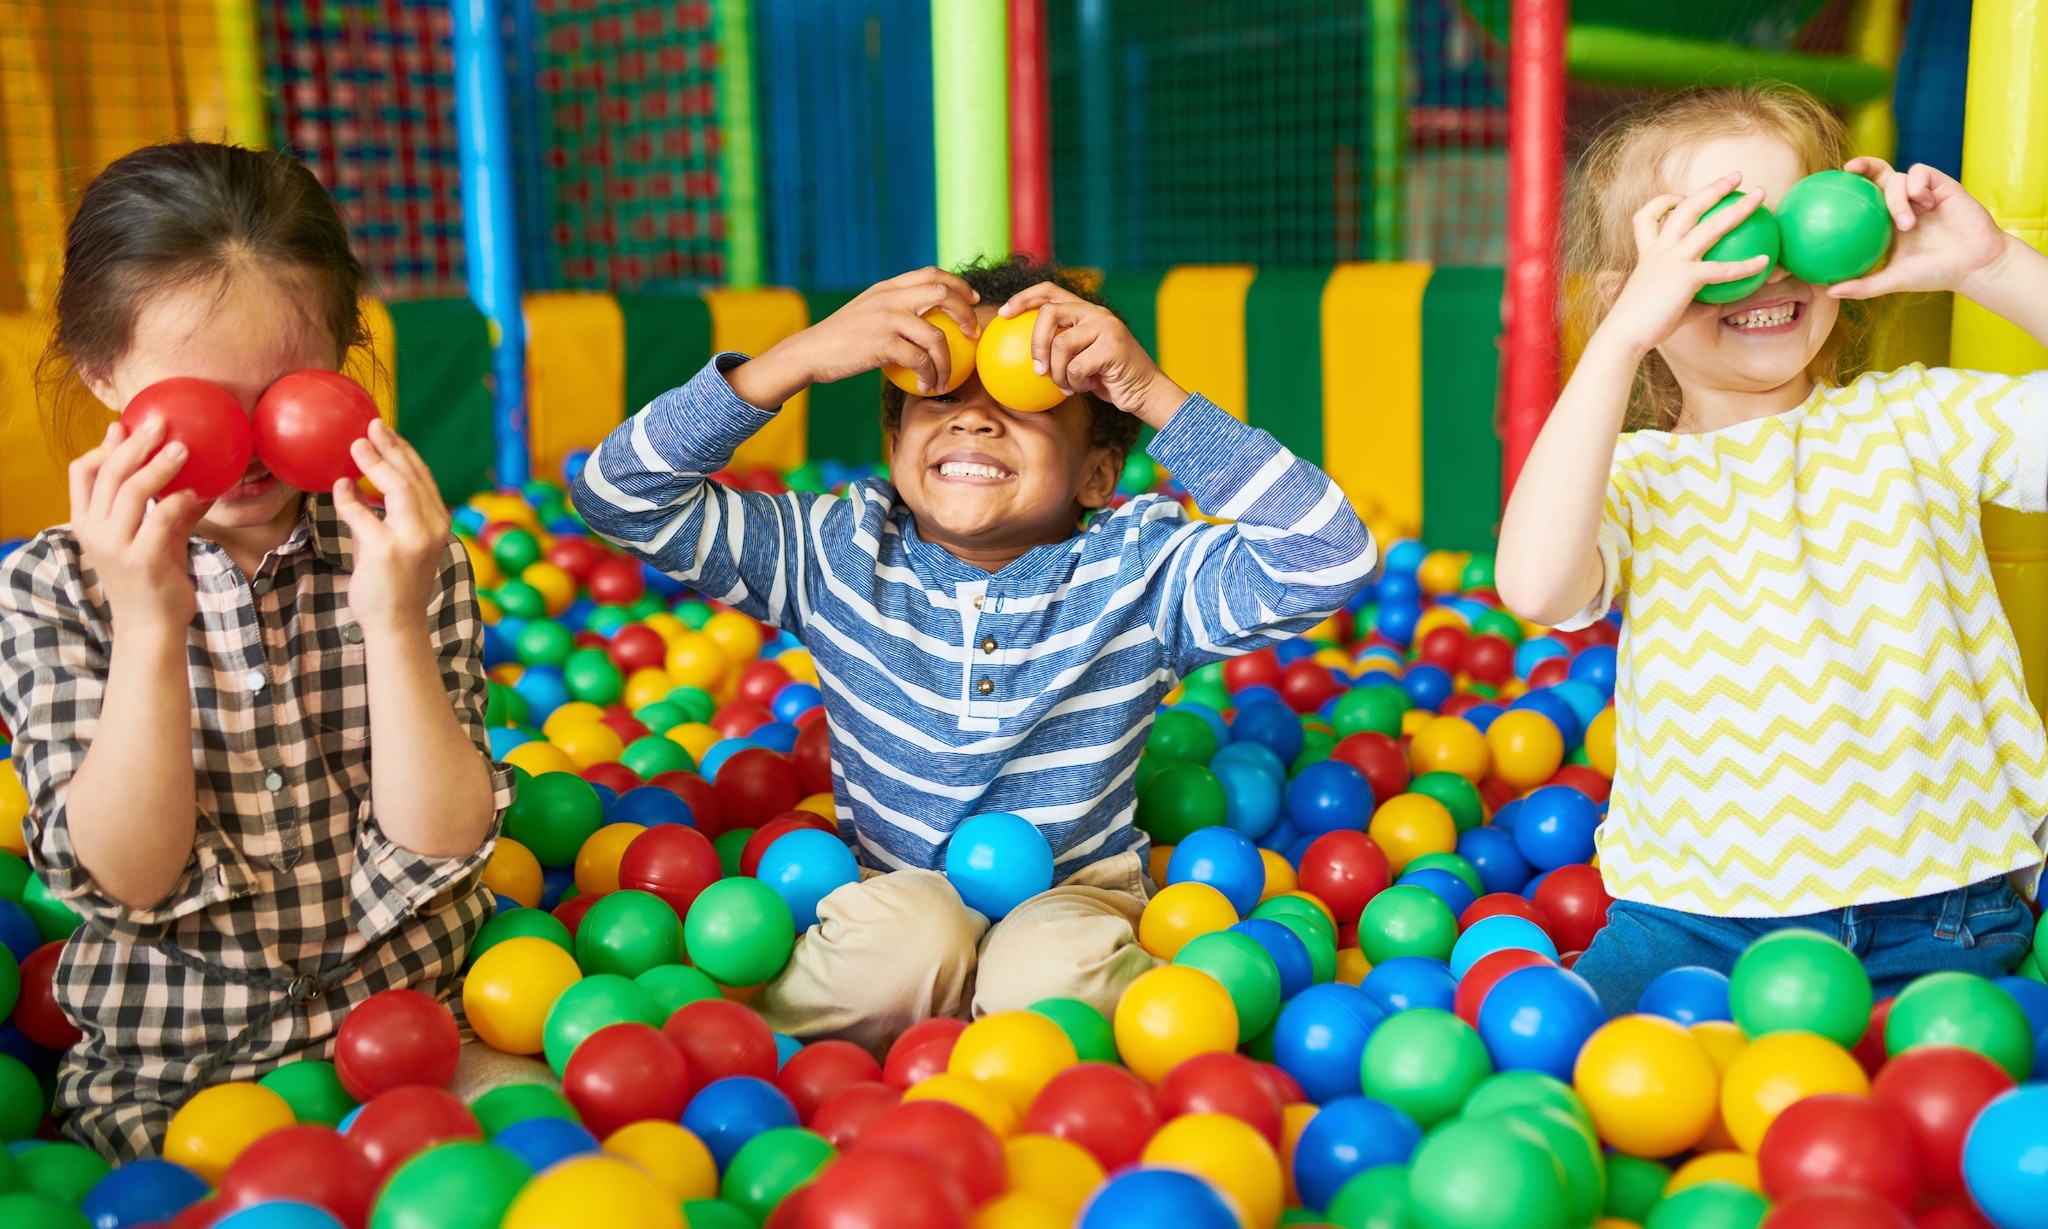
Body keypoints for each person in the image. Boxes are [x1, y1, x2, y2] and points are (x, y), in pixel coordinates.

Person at [571, 257, 1376, 1051]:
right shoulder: (834, 552)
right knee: (904, 947)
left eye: (1022, 400)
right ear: (894, 446)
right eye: (941, 395)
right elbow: (616, 494)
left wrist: (1149, 394)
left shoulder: (1140, 571)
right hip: (892, 892)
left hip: (1071, 893)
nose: (974, 418)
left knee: (1046, 978)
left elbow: (1331, 556)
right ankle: (777, 1056)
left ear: (1099, 472)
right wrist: (796, 359)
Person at [0, 141, 540, 1160]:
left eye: (291, 387)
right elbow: (129, 878)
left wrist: (395, 616)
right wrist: (149, 621)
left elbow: (440, 838)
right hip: (178, 1083)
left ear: (343, 357)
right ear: (104, 375)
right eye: (202, 400)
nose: (252, 441)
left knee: (540, 1158)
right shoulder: (51, 586)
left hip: (418, 1035)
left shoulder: (405, 552)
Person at [1495, 86, 2048, 1016]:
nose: (1761, 268)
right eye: (1712, 242)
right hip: (1694, 921)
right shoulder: (1632, 477)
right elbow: (1537, 584)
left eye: (1786, 227)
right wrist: (1622, 333)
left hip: (1939, 904)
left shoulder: (1916, 420)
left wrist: (1991, 267)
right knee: (1574, 1070)